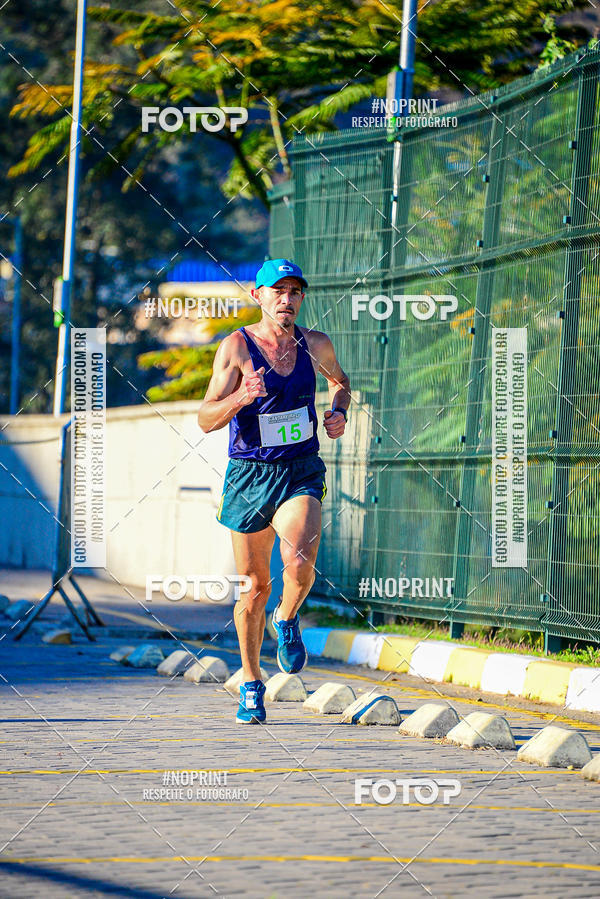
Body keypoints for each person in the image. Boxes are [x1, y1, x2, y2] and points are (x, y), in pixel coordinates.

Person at [198, 258, 350, 723]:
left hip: (300, 469)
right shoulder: (236, 347)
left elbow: (341, 382)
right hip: (249, 475)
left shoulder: (315, 344)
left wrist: (339, 410)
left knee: (300, 561)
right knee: (253, 588)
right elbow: (205, 419)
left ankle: (285, 617)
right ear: (257, 295)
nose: (287, 299)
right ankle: (251, 682)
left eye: (294, 291)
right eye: (277, 291)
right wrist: (242, 396)